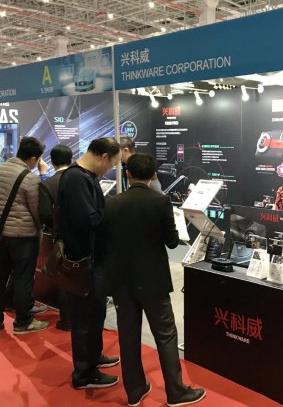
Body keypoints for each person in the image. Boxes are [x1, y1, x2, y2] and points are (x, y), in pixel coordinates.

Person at [105, 153, 206, 407]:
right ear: (153, 176)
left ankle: (135, 391)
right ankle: (176, 392)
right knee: (166, 335)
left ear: (128, 174)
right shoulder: (160, 201)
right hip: (153, 280)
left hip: (122, 280)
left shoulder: (112, 202)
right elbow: (171, 242)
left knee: (128, 336)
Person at [57, 137, 121, 389]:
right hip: (84, 261)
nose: (110, 169)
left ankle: (93, 357)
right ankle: (84, 373)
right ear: (103, 156)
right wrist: (113, 212)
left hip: (92, 259)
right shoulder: (76, 179)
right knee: (85, 318)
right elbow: (88, 219)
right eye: (112, 164)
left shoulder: (84, 177)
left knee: (95, 313)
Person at [0, 137, 49, 334]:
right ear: (34, 158)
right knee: (23, 278)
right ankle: (23, 322)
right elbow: (37, 210)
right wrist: (40, 227)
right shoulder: (30, 178)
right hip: (22, 236)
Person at [38, 144, 73, 331]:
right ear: (71, 159)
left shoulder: (47, 184)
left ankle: (67, 320)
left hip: (58, 238)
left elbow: (44, 214)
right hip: (81, 236)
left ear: (51, 161)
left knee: (63, 277)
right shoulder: (82, 179)